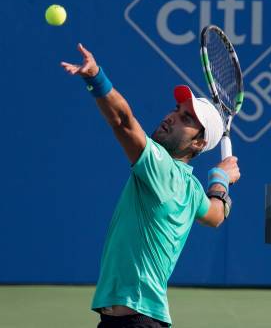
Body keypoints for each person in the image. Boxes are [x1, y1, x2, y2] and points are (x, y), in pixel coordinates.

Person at [61, 43, 241, 328]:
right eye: (176, 109)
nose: (172, 116)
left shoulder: (161, 168)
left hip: (135, 321)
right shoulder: (192, 188)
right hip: (136, 320)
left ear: (198, 143)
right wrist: (220, 179)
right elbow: (216, 215)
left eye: (186, 119)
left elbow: (122, 122)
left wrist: (96, 77)